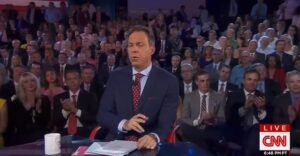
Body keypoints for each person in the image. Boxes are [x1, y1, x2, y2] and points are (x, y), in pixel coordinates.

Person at [97, 25, 179, 150]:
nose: (134, 50)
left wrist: (153, 136)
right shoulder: (116, 76)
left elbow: (165, 124)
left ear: (151, 49)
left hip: (147, 146)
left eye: (139, 45)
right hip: (116, 143)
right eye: (130, 45)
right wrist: (124, 124)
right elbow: (103, 114)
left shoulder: (168, 81)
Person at [180, 71, 226, 153]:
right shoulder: (189, 96)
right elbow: (184, 118)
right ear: (196, 82)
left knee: (211, 135)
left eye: (207, 80)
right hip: (193, 128)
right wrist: (198, 121)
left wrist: (213, 118)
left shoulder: (219, 97)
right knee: (184, 127)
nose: (205, 83)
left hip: (210, 129)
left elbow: (222, 119)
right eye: (202, 81)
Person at [7, 72, 51, 146]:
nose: (30, 83)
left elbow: (47, 122)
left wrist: (38, 110)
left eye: (32, 80)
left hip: (41, 139)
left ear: (36, 82)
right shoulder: (16, 103)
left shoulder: (44, 100)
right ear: (22, 85)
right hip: (22, 140)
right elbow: (15, 125)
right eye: (26, 82)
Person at [53, 69, 98, 137]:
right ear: (66, 82)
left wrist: (75, 110)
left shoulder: (90, 97)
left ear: (80, 80)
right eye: (69, 79)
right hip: (64, 132)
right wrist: (66, 111)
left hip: (84, 131)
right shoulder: (59, 98)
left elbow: (94, 118)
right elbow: (54, 121)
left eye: (75, 78)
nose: (72, 81)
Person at [273, 70, 300, 148]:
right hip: (286, 133)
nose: (295, 84)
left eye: (298, 81)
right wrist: (290, 119)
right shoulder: (279, 99)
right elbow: (275, 121)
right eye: (292, 82)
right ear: (287, 85)